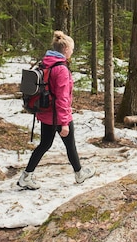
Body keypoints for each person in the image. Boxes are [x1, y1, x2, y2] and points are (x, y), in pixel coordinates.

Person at [18, 30, 95, 190]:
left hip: (45, 113)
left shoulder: (46, 63)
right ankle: (79, 174)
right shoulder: (61, 69)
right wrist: (65, 122)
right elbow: (62, 98)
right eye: (72, 49)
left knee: (44, 145)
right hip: (58, 115)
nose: (72, 52)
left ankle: (26, 176)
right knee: (69, 145)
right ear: (66, 50)